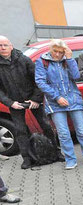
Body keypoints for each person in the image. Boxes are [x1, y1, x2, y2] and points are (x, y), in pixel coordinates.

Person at [0, 35, 61, 169]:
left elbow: (39, 80)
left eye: (5, 45)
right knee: (20, 131)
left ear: (11, 46)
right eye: (0, 46)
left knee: (46, 126)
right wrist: (10, 103)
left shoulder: (23, 60)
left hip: (33, 100)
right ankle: (27, 158)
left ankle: (57, 152)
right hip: (15, 103)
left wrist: (36, 99)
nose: (3, 48)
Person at [35, 40, 83, 169]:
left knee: (82, 131)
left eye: (60, 52)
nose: (57, 55)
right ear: (50, 50)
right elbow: (40, 82)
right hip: (54, 101)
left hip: (73, 98)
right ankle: (70, 158)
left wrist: (69, 59)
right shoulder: (42, 61)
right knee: (63, 133)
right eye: (55, 51)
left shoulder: (67, 60)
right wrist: (57, 97)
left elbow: (76, 76)